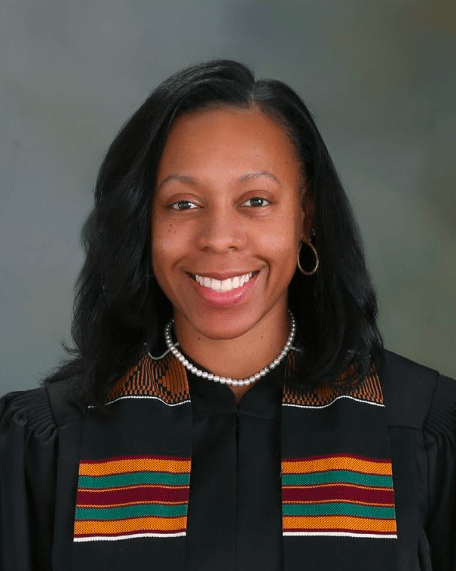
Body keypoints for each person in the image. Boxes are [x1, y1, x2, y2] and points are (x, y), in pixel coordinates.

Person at [0, 60, 454, 571]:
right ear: (142, 220)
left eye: (255, 201)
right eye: (183, 204)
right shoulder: (50, 443)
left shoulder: (419, 431)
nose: (218, 237)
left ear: (305, 216)